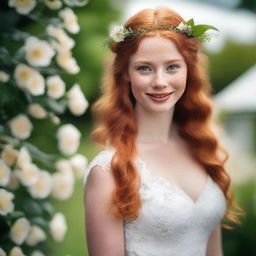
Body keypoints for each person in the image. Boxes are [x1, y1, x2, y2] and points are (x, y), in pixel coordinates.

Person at [83, 7, 243, 256]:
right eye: (144, 68)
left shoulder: (204, 148)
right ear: (125, 73)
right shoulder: (108, 171)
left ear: (189, 69)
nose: (160, 81)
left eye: (172, 67)